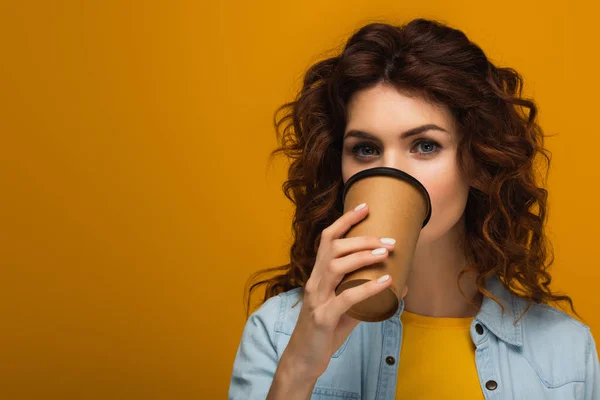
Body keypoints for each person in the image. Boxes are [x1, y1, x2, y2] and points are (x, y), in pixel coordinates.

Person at [228, 18, 600, 399]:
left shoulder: (565, 354)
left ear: (476, 161)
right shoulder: (279, 332)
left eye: (424, 145)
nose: (392, 171)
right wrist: (299, 368)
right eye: (366, 149)